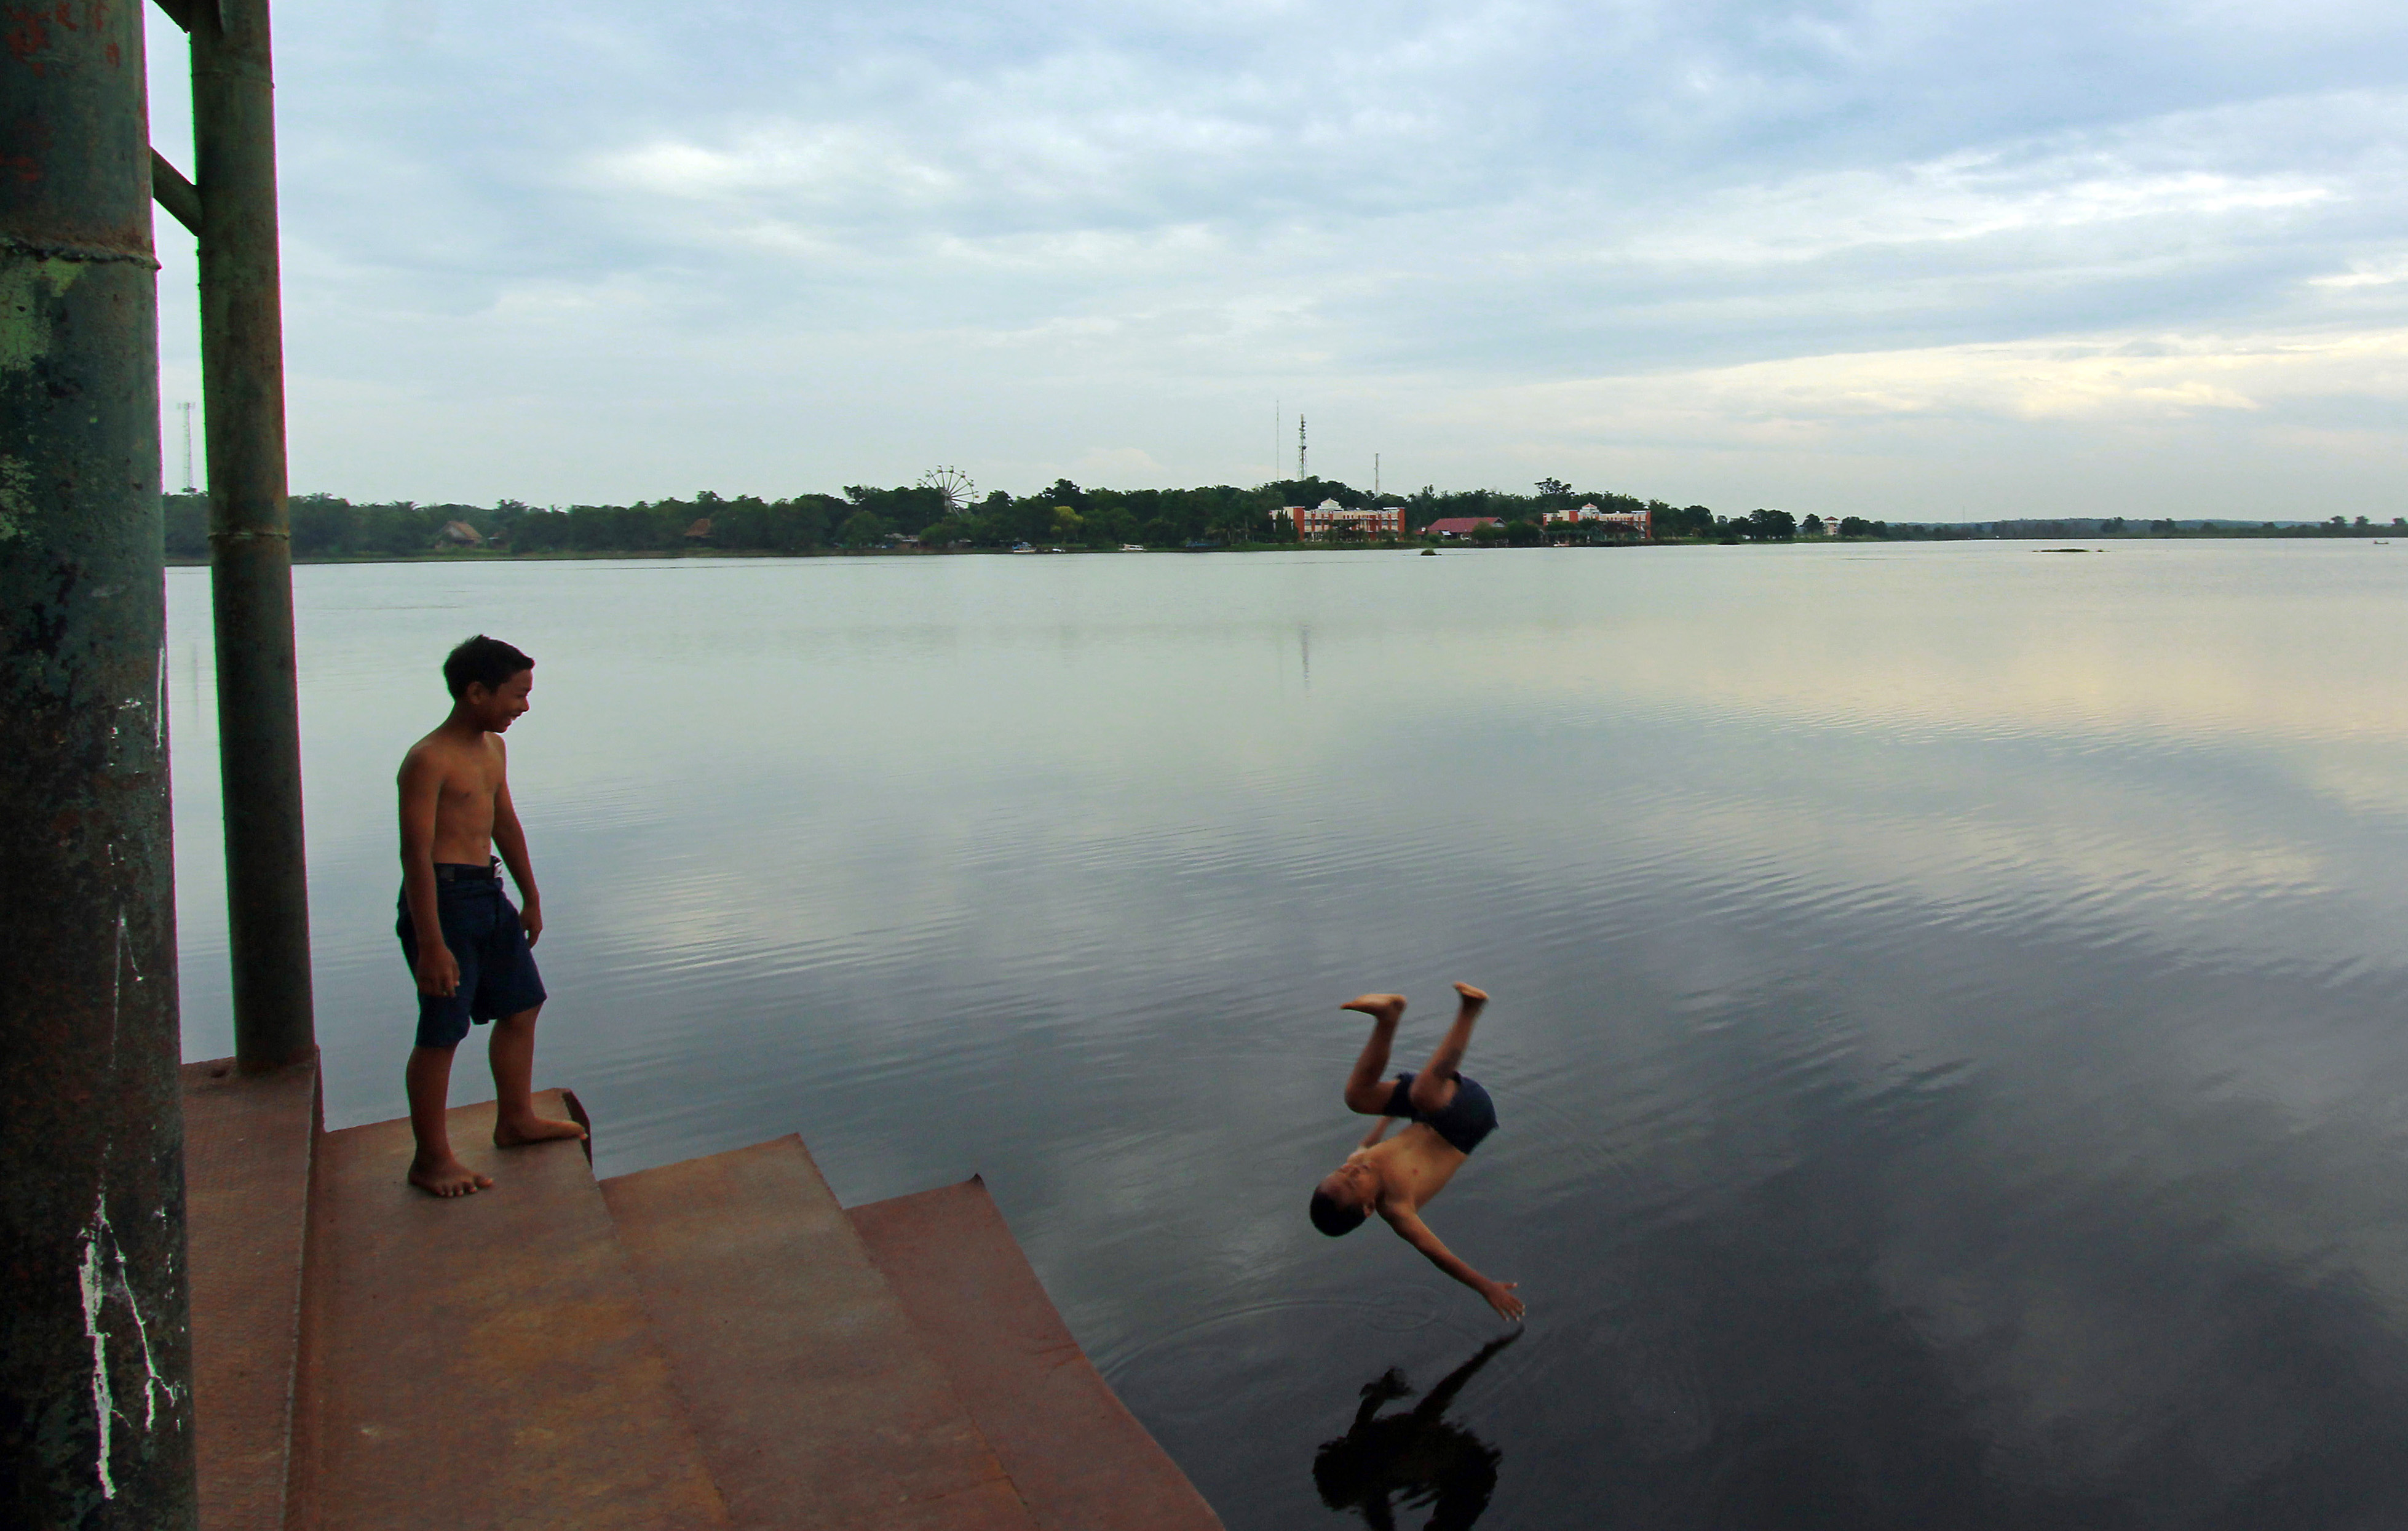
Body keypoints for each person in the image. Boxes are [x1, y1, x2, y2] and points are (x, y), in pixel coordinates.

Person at [394, 635, 585, 1197]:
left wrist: (531, 895)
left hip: (487, 891)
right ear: (476, 692)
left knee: (523, 1003)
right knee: (442, 1030)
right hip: (444, 902)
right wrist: (431, 941)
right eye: (516, 695)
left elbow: (504, 822)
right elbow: (415, 854)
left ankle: (516, 1119)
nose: (524, 707)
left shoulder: (492, 750)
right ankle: (431, 1158)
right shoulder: (428, 759)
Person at [1310, 984, 1524, 1321]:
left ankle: (1389, 1017)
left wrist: (1386, 1117)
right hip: (1468, 1120)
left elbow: (1368, 1142)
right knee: (1425, 1094)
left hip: (1427, 1112)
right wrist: (1487, 1287)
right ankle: (1470, 1010)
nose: (1351, 1171)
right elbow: (1437, 1254)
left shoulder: (1358, 1162)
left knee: (1356, 1098)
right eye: (1352, 1183)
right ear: (1368, 1208)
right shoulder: (1397, 1209)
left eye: (1340, 1171)